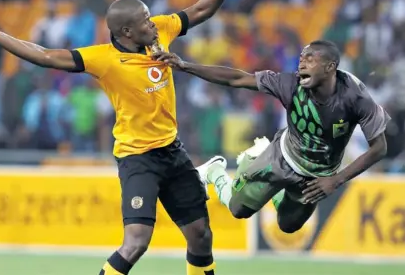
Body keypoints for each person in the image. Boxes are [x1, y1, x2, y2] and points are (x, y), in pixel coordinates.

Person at [0, 0, 262, 275]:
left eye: (152, 19)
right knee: (136, 242)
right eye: (146, 21)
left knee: (201, 235)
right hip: (138, 159)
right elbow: (47, 56)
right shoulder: (103, 59)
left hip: (173, 152)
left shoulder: (161, 32)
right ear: (126, 32)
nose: (155, 24)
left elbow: (196, 12)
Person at [153, 41, 390, 233]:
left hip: (317, 175)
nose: (302, 64)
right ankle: (216, 171)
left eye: (310, 59)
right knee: (238, 211)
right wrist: (185, 66)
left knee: (288, 227)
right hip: (281, 158)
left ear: (330, 67)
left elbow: (379, 148)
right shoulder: (289, 83)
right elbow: (237, 79)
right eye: (301, 58)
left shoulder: (355, 98)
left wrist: (335, 180)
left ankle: (277, 189)